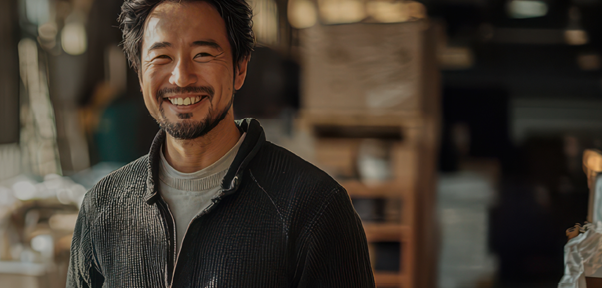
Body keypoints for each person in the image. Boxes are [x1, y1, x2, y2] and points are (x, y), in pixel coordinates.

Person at [65, 0, 375, 286]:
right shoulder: (102, 207)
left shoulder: (314, 208)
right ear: (139, 72)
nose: (181, 77)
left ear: (240, 68)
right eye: (161, 57)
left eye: (202, 54)